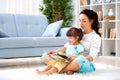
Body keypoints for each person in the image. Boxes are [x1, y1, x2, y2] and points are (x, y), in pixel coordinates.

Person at [40, 9, 101, 74]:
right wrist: (55, 52)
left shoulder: (95, 37)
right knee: (45, 56)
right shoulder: (77, 32)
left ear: (91, 21)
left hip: (84, 62)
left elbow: (91, 57)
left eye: (84, 21)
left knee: (80, 59)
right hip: (69, 59)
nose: (81, 24)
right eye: (80, 21)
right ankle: (70, 68)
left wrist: (76, 57)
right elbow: (66, 46)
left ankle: (58, 70)